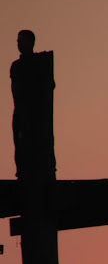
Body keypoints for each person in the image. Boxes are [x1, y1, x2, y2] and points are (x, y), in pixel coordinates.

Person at [10, 29, 55, 179]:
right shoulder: (16, 66)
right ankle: (22, 173)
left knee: (36, 145)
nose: (19, 44)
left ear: (31, 42)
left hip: (35, 115)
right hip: (20, 112)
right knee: (21, 145)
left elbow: (48, 86)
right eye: (18, 41)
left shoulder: (40, 64)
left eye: (22, 40)